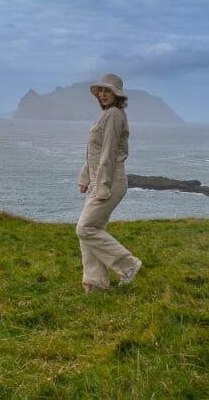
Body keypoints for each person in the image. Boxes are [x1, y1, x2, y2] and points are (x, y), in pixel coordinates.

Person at [76, 73, 143, 292]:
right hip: (99, 179)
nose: (103, 95)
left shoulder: (114, 115)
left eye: (108, 91)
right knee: (93, 229)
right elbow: (94, 153)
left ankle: (128, 265)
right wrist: (86, 178)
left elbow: (109, 152)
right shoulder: (106, 115)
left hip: (109, 180)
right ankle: (95, 284)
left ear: (117, 95)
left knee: (85, 228)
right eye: (101, 91)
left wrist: (101, 185)